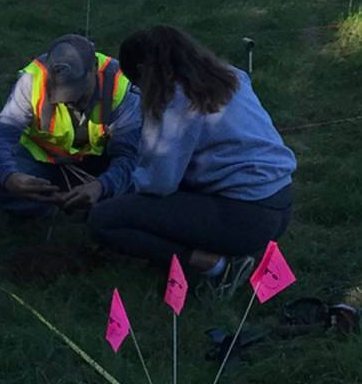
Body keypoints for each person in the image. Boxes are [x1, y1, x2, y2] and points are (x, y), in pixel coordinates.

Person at [88, 25, 295, 287]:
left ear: (142, 71)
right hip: (280, 200)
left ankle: (217, 266)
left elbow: (157, 183)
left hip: (243, 216)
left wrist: (112, 189)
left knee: (105, 220)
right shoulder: (231, 76)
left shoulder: (173, 103)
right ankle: (229, 250)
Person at [0, 34, 141, 217]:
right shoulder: (32, 80)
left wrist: (101, 186)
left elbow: (128, 156)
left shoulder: (120, 85)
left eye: (78, 91)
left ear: (94, 69)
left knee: (141, 182)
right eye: (62, 94)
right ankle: (52, 207)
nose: (71, 101)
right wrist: (10, 177)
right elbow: (2, 136)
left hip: (100, 163)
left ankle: (95, 207)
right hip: (42, 162)